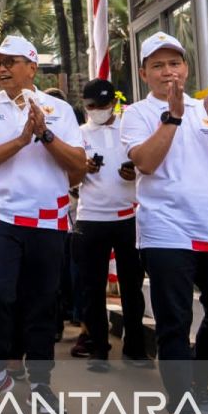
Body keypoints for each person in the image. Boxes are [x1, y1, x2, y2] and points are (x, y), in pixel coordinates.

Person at [122, 32, 208, 414]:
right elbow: (144, 162)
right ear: (144, 73)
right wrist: (172, 118)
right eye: (157, 66)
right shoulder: (138, 114)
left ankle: (197, 384)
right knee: (174, 322)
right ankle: (183, 409)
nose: (167, 72)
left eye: (174, 64)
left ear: (186, 68)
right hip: (165, 230)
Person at [0, 36, 86, 413]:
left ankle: (41, 382)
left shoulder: (59, 109)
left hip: (48, 218)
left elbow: (78, 165)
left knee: (42, 302)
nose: (1, 68)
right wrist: (21, 140)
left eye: (10, 61)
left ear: (32, 67)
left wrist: (44, 134)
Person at [74, 78, 150, 372]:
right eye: (93, 106)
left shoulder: (129, 131)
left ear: (114, 104)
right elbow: (68, 173)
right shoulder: (78, 134)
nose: (99, 111)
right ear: (85, 106)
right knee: (92, 287)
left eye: (104, 106)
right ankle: (98, 349)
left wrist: (135, 174)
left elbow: (148, 164)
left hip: (128, 216)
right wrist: (82, 169)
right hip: (90, 218)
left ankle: (135, 348)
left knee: (132, 286)